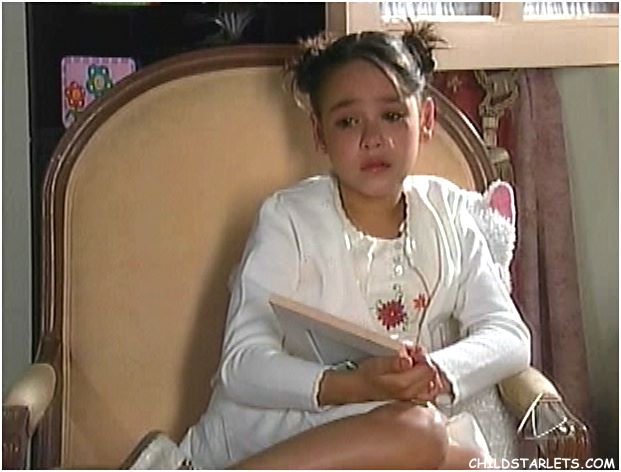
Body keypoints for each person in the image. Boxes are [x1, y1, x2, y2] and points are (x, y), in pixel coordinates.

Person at [138, 24, 531, 470]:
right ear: (320, 134)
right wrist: (352, 385)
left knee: (465, 457)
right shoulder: (288, 219)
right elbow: (241, 365)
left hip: (391, 426)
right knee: (422, 433)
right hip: (281, 426)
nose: (372, 138)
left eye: (392, 115)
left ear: (425, 120)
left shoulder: (451, 214)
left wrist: (437, 371)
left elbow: (509, 335)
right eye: (348, 122)